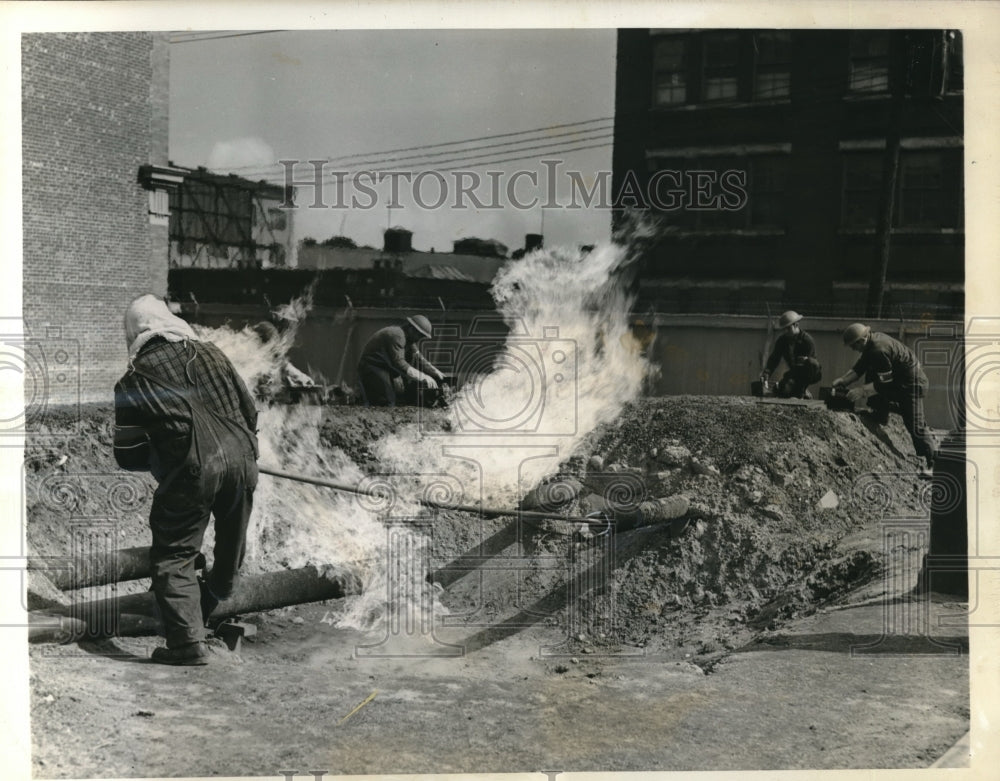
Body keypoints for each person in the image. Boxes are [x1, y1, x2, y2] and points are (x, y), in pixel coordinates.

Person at [113, 295, 259, 665]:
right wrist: (237, 453)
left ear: (135, 332)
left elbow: (127, 454)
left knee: (175, 552)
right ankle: (213, 600)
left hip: (192, 469)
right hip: (243, 459)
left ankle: (186, 643)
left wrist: (164, 456)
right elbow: (250, 409)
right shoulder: (212, 353)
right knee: (231, 541)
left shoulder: (134, 378)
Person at [832, 322, 938, 478]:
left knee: (915, 424)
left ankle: (934, 464)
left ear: (862, 340)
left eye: (854, 345)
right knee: (873, 376)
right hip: (899, 380)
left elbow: (884, 383)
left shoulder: (878, 350)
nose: (853, 349)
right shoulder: (871, 344)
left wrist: (861, 391)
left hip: (912, 384)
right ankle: (881, 414)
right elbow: (860, 367)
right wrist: (843, 380)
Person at [357, 314, 445, 406]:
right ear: (411, 329)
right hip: (372, 367)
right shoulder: (397, 336)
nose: (419, 339)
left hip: (385, 368)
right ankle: (362, 397)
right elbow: (399, 363)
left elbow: (419, 358)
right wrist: (424, 377)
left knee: (397, 397)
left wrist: (435, 372)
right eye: (419, 335)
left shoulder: (409, 339)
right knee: (387, 401)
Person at [760, 310, 822, 399]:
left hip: (808, 373)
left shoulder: (807, 341)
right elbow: (774, 358)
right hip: (793, 372)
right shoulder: (782, 341)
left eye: (788, 328)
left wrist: (792, 382)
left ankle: (802, 391)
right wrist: (766, 374)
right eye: (784, 329)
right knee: (780, 390)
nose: (786, 331)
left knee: (810, 362)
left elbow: (811, 366)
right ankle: (798, 391)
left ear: (796, 325)